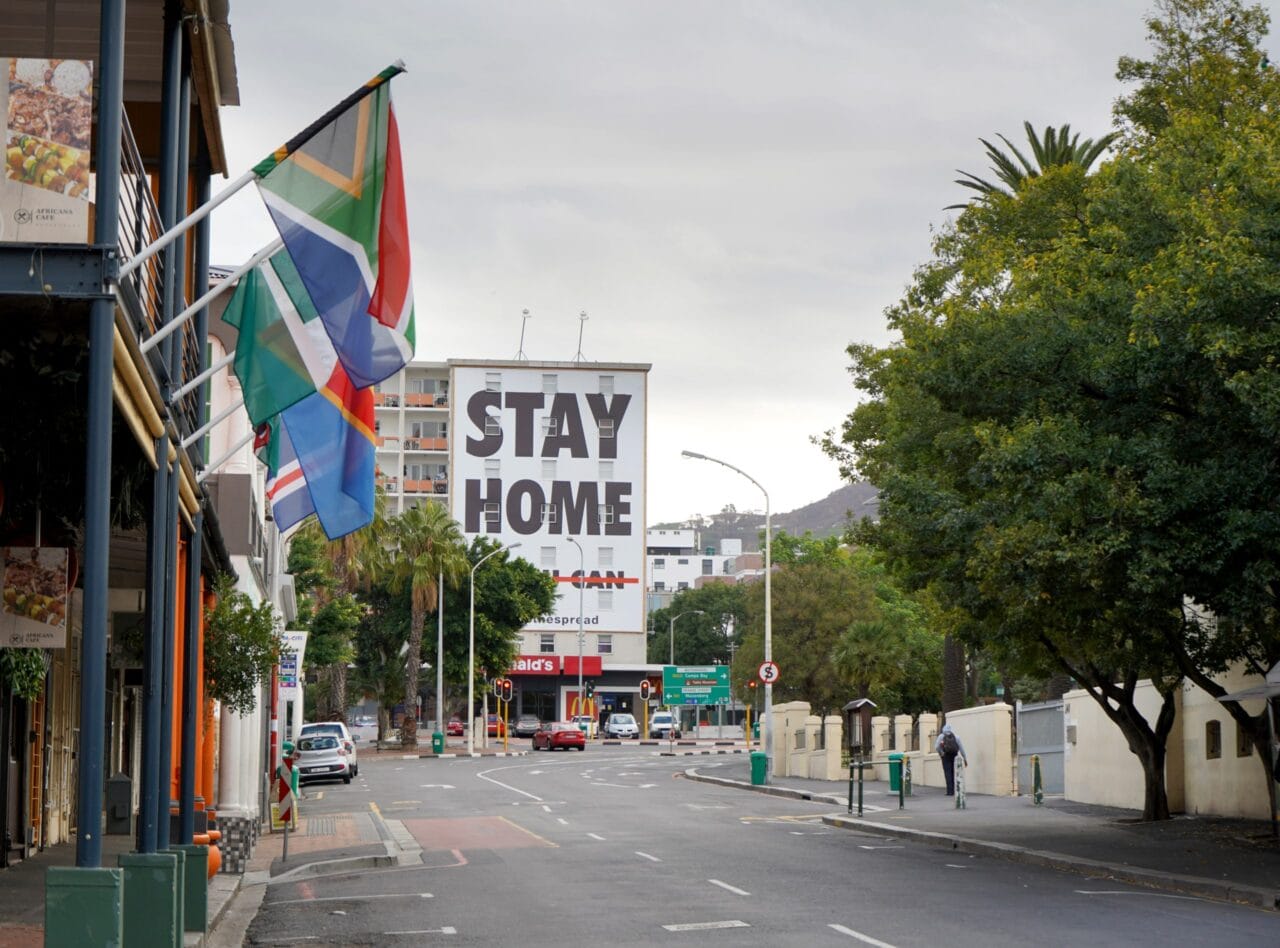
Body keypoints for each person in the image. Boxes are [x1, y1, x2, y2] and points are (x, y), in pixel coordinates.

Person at [935, 723, 968, 796]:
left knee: (947, 773)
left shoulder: (941, 736)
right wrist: (965, 758)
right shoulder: (956, 737)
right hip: (954, 755)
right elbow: (961, 748)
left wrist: (941, 753)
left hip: (945, 756)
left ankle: (949, 791)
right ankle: (955, 789)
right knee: (954, 772)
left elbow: (937, 747)